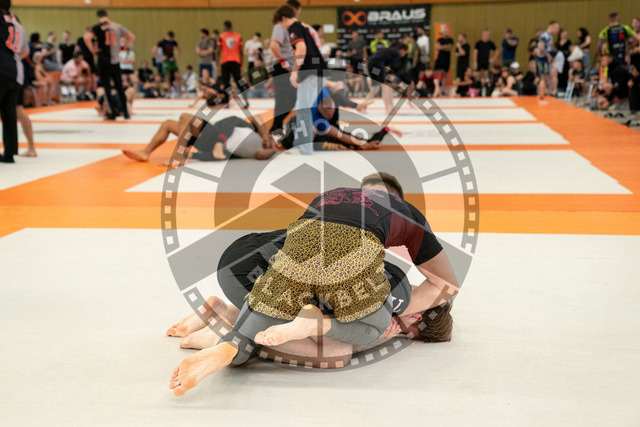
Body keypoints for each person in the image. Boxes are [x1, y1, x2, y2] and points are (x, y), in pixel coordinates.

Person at [168, 173, 458, 396]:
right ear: (416, 319)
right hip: (346, 251)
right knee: (366, 332)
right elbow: (447, 285)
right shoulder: (405, 228)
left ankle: (229, 345)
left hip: (300, 242)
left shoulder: (336, 193)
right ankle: (309, 325)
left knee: (265, 317)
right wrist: (391, 316)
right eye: (408, 332)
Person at [167, 228, 453, 363]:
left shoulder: (397, 275)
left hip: (247, 248)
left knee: (317, 317)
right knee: (337, 352)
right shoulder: (393, 299)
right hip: (248, 271)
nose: (398, 332)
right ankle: (232, 337)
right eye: (407, 331)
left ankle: (227, 312)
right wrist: (377, 331)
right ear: (417, 317)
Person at [273, 4, 326, 155]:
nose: (282, 28)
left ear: (284, 18)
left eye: (280, 24)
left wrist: (294, 72)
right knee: (301, 107)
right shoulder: (303, 27)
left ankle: (305, 148)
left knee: (303, 110)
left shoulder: (294, 27)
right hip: (317, 71)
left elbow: (301, 49)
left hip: (310, 72)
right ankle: (299, 144)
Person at [122, 113, 277, 163]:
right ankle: (146, 152)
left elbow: (221, 156)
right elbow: (250, 118)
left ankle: (179, 155)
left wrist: (273, 149)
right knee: (168, 124)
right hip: (210, 133)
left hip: (212, 136)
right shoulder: (254, 131)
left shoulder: (256, 151)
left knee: (185, 117)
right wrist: (265, 135)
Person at [86, 9, 135, 120]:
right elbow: (131, 37)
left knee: (106, 87)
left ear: (98, 17)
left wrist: (93, 50)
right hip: (115, 60)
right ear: (107, 16)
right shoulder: (117, 26)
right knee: (119, 87)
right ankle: (126, 113)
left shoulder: (97, 27)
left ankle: (112, 112)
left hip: (103, 60)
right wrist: (124, 47)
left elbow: (87, 38)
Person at [1, 0, 28, 163]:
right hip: (15, 71)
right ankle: (10, 153)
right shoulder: (18, 24)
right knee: (9, 114)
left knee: (10, 113)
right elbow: (25, 50)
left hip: (1, 68)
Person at [366, 44, 414, 113]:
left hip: (370, 64)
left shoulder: (392, 50)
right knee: (386, 86)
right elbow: (389, 67)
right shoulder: (396, 53)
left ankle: (362, 105)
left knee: (376, 88)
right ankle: (389, 108)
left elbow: (387, 66)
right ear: (402, 50)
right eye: (405, 53)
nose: (404, 55)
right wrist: (390, 75)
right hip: (376, 64)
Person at [217, 20, 249, 108]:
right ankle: (246, 101)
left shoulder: (222, 36)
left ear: (225, 27)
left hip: (225, 62)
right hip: (236, 62)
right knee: (239, 81)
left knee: (226, 83)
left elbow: (218, 51)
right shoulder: (238, 36)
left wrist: (216, 64)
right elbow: (241, 52)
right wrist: (241, 64)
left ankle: (227, 103)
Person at [535, 20, 559, 100]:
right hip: (541, 59)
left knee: (547, 77)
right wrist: (547, 55)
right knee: (543, 77)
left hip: (545, 59)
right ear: (551, 27)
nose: (557, 30)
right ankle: (541, 95)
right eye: (556, 28)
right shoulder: (545, 36)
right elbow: (540, 47)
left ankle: (547, 93)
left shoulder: (550, 36)